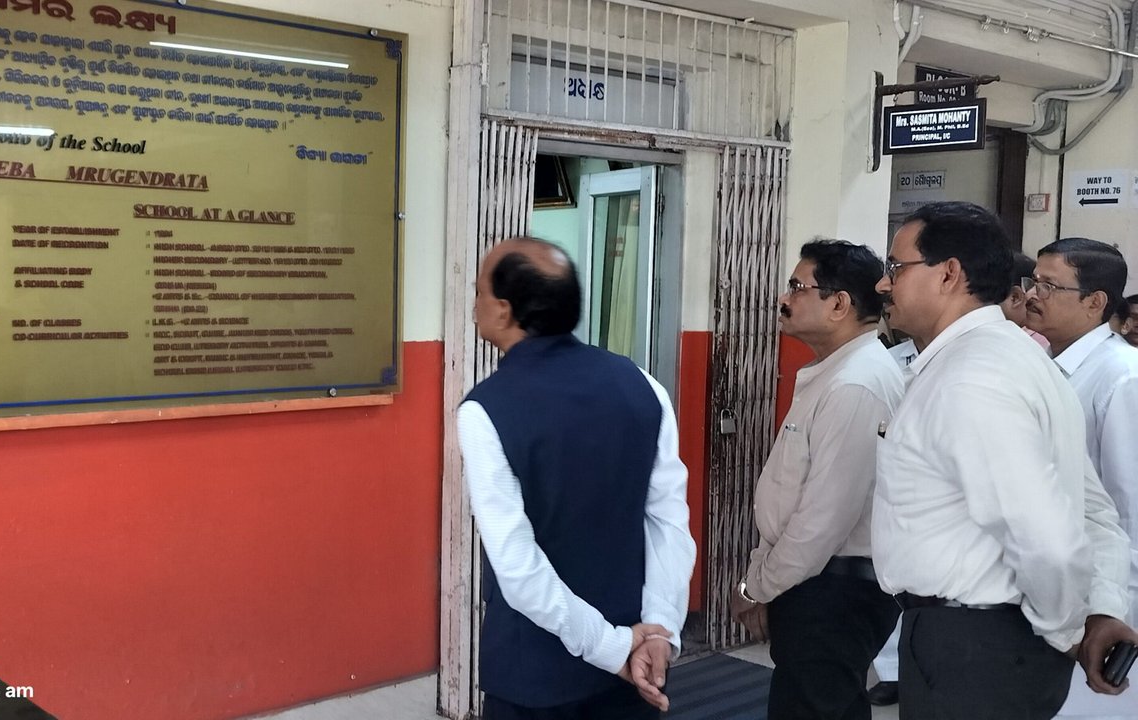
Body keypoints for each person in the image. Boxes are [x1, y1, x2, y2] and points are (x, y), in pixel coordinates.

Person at [873, 201, 1133, 720]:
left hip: (975, 651)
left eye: (896, 268)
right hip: (987, 643)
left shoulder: (973, 376)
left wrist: (1064, 629)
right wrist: (1100, 607)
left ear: (948, 274)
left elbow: (1048, 539)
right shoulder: (1017, 358)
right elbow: (1092, 513)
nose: (884, 284)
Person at [459, 237, 696, 719]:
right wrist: (660, 629)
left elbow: (519, 569)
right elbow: (670, 523)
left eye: (480, 290)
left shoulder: (485, 410)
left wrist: (611, 646)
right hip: (638, 663)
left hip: (536, 676)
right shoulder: (642, 384)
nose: (474, 302)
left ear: (504, 310)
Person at [729, 240, 904, 719]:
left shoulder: (856, 385)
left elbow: (822, 521)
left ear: (839, 304)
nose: (783, 299)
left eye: (797, 287)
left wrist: (756, 587)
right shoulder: (837, 373)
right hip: (817, 583)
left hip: (835, 592)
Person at [1022, 238, 1138, 719]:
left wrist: (1111, 610)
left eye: (1050, 286)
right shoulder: (1051, 367)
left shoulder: (1122, 378)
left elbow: (1130, 507)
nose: (1033, 295)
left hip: (1105, 602)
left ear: (1095, 302)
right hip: (1060, 593)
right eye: (1033, 281)